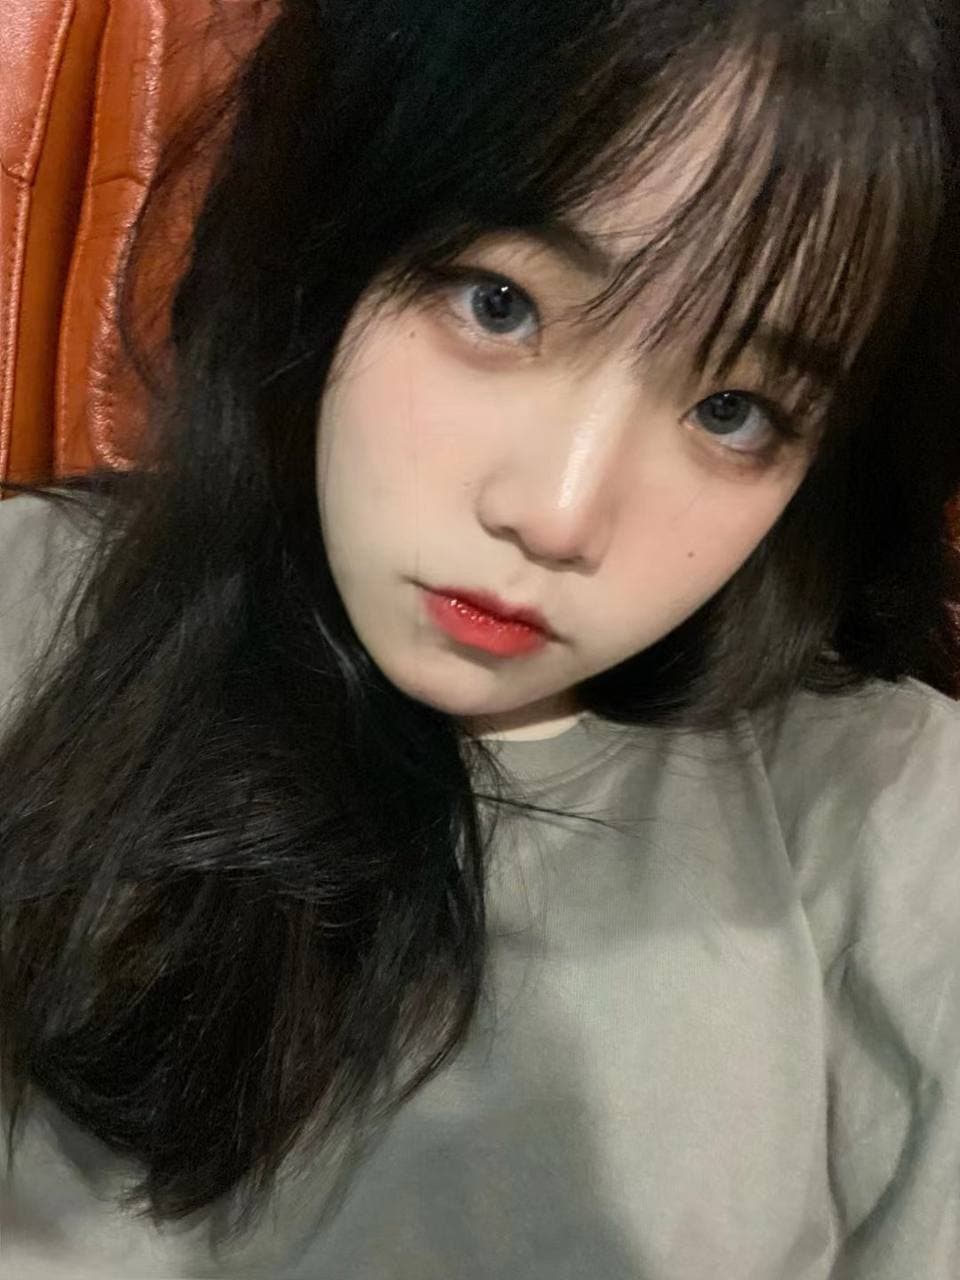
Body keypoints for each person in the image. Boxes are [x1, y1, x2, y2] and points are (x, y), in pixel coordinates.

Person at [2, 0, 960, 1275]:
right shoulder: (28, 612)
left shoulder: (897, 812)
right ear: (334, 227)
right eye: (500, 304)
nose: (557, 513)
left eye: (734, 409)